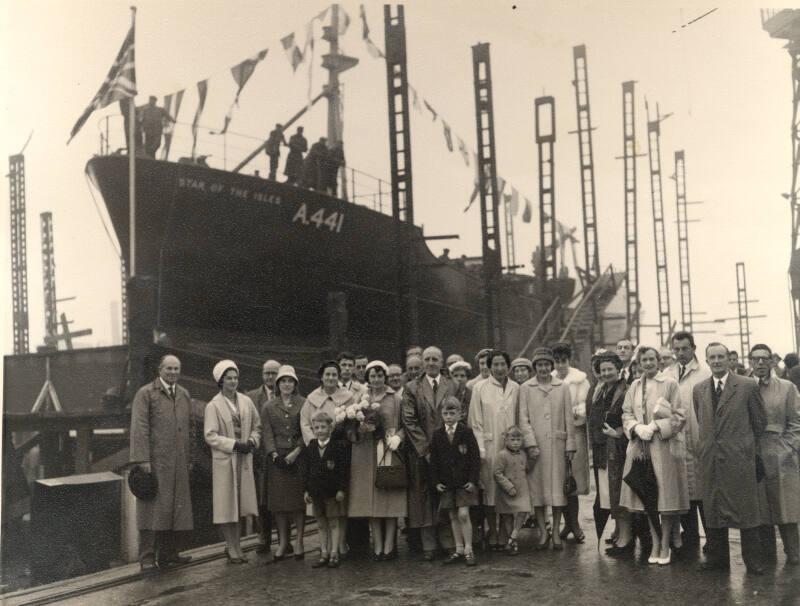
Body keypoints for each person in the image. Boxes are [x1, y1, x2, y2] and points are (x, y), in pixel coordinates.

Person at [695, 342, 767, 575]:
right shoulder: (699, 389)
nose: (716, 361)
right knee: (714, 510)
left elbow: (759, 423)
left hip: (739, 460)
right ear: (706, 361)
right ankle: (717, 559)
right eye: (712, 357)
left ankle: (753, 562)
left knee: (747, 513)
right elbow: (702, 420)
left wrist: (741, 447)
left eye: (721, 357)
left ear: (729, 360)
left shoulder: (746, 386)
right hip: (711, 460)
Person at [620, 346, 688, 566]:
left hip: (664, 448)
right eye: (643, 360)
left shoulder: (669, 383)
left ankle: (665, 543)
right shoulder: (635, 386)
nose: (648, 364)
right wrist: (636, 427)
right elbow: (626, 413)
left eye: (651, 359)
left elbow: (679, 416)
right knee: (647, 496)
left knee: (665, 499)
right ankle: (656, 540)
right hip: (641, 447)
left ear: (659, 361)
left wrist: (657, 426)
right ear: (638, 363)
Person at [129, 354, 194, 571]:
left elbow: (190, 428)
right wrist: (142, 459)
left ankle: (168, 554)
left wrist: (190, 457)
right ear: (160, 370)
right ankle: (147, 557)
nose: (173, 372)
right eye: (169, 369)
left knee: (173, 508)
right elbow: (139, 427)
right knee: (150, 509)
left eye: (176, 368)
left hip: (178, 462)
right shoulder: (146, 394)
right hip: (155, 463)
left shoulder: (184, 394)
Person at [401, 346, 458, 560]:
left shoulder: (452, 385)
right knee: (423, 496)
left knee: (446, 493)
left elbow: (458, 415)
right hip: (420, 452)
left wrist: (446, 446)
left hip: (447, 449)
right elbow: (409, 420)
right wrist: (425, 449)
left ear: (442, 362)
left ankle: (448, 540)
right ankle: (428, 544)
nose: (431, 362)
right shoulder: (412, 388)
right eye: (427, 359)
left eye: (435, 359)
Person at [347, 361, 407, 561]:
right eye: (372, 376)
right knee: (371, 500)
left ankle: (390, 545)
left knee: (389, 498)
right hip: (365, 452)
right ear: (368, 378)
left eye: (380, 376)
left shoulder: (395, 398)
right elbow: (349, 428)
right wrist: (359, 429)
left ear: (385, 377)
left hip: (388, 449)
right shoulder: (359, 398)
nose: (376, 380)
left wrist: (398, 437)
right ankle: (378, 545)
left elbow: (404, 424)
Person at [204, 360, 261, 564]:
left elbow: (257, 425)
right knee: (227, 506)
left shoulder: (246, 401)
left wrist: (253, 440)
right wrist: (234, 444)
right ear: (221, 381)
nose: (233, 382)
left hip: (244, 459)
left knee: (239, 505)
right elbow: (210, 435)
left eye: (235, 378)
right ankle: (231, 546)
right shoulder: (214, 405)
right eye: (228, 378)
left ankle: (238, 546)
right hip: (226, 460)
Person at [518, 347, 575, 550]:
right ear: (535, 367)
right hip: (536, 449)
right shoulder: (526, 388)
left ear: (551, 367)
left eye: (546, 365)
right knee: (538, 491)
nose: (543, 368)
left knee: (558, 491)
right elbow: (523, 419)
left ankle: (557, 532)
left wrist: (570, 445)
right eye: (539, 365)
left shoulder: (563, 387)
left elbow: (569, 418)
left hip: (557, 447)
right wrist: (530, 443)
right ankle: (543, 532)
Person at [749, 344, 800, 565]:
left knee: (785, 505)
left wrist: (788, 447)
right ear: (750, 362)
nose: (760, 363)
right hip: (753, 453)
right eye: (756, 359)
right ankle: (766, 554)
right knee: (760, 506)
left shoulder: (787, 387)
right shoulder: (743, 387)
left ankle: (793, 551)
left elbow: (796, 421)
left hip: (780, 452)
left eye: (765, 359)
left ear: (771, 362)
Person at [663, 331, 711, 549]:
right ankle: (689, 538)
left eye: (685, 348)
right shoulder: (667, 373)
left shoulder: (705, 372)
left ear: (694, 348)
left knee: (705, 492)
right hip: (677, 440)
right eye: (677, 349)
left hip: (701, 438)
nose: (681, 353)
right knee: (684, 491)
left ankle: (712, 541)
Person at [468, 350, 520, 551]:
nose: (499, 368)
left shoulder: (516, 388)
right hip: (488, 446)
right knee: (490, 489)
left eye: (503, 364)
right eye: (495, 365)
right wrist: (480, 448)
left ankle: (506, 532)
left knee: (508, 488)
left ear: (508, 366)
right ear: (489, 367)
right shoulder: (480, 388)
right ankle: (493, 531)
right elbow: (475, 422)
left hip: (510, 446)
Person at [586, 353, 633, 556]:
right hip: (602, 451)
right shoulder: (601, 390)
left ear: (618, 369)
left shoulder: (625, 391)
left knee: (619, 494)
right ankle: (620, 534)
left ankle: (626, 539)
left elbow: (631, 417)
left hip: (618, 450)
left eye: (609, 369)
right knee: (608, 495)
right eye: (602, 370)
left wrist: (619, 433)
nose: (606, 373)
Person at [262, 365, 306, 560]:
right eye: (283, 381)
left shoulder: (304, 403)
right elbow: (267, 432)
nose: (286, 384)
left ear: (295, 384)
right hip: (278, 459)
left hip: (298, 457)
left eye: (290, 381)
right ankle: (282, 542)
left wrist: (297, 451)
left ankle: (299, 541)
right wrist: (273, 454)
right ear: (277, 384)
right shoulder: (269, 406)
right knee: (279, 503)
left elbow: (306, 430)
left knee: (298, 501)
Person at [430, 397, 480, 566]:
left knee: (463, 514)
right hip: (447, 483)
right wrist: (436, 481)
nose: (449, 417)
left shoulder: (466, 432)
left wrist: (473, 480)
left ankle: (469, 549)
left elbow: (475, 458)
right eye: (445, 413)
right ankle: (458, 549)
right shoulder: (437, 435)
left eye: (452, 413)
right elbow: (434, 461)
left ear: (460, 413)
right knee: (452, 515)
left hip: (464, 483)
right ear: (441, 414)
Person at [551, 342, 590, 543]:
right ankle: (567, 524)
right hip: (555, 434)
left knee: (572, 479)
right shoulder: (549, 379)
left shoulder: (580, 380)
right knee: (559, 480)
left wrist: (573, 412)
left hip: (575, 432)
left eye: (563, 361)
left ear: (569, 360)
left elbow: (586, 405)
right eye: (556, 361)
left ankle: (574, 523)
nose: (559, 365)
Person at [303, 410, 350, 569]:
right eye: (316, 428)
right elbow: (307, 471)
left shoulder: (337, 447)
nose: (320, 430)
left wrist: (341, 490)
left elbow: (343, 470)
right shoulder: (311, 447)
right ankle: (323, 552)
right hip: (316, 493)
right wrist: (307, 491)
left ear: (330, 428)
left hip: (332, 493)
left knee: (334, 523)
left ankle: (334, 553)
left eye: (323, 427)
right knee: (321, 524)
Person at [246, 359, 281, 554]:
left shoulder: (286, 394)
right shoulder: (251, 397)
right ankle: (263, 536)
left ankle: (284, 538)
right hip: (261, 455)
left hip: (280, 452)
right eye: (267, 373)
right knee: (262, 498)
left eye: (273, 373)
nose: (270, 377)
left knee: (282, 497)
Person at [493, 426, 530, 555]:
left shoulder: (523, 454)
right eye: (512, 439)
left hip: (522, 489)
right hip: (506, 490)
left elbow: (527, 468)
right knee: (507, 516)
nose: (515, 442)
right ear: (506, 440)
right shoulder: (501, 455)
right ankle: (512, 543)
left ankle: (513, 536)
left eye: (518, 440)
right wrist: (509, 487)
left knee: (524, 510)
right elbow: (497, 473)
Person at [301, 361, 355, 445]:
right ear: (321, 377)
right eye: (327, 374)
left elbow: (352, 424)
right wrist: (314, 443)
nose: (331, 378)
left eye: (334, 375)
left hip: (341, 446)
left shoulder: (348, 397)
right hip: (316, 446)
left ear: (338, 377)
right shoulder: (311, 398)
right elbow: (305, 424)